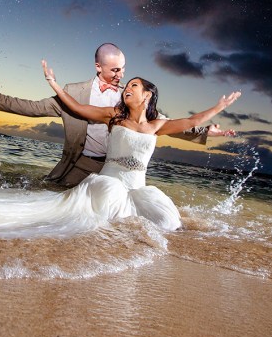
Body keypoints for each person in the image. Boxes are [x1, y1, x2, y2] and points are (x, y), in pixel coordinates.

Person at [0, 43, 235, 186]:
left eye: (123, 70)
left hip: (115, 171)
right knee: (54, 199)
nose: (121, 76)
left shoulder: (128, 97)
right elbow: (33, 108)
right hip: (82, 163)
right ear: (99, 67)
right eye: (115, 71)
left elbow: (160, 124)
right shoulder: (74, 92)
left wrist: (203, 131)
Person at [40, 59, 242, 230]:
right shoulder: (114, 116)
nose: (126, 88)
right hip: (109, 184)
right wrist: (53, 83)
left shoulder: (157, 125)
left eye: (133, 86)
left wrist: (219, 107)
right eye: (126, 86)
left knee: (167, 223)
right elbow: (78, 107)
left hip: (139, 190)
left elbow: (191, 122)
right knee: (101, 215)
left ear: (147, 95)